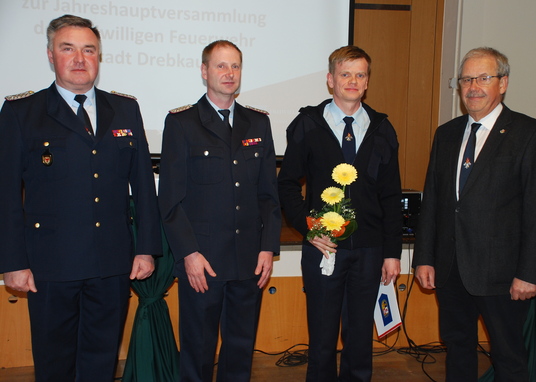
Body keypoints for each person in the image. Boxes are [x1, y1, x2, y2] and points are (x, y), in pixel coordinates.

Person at [0, 14, 162, 382]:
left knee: (101, 362)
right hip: (50, 267)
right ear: (50, 55)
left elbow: (142, 184)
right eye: (67, 48)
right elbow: (6, 193)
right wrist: (13, 261)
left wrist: (145, 249)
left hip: (112, 263)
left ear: (98, 57)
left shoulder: (124, 109)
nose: (79, 58)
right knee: (54, 364)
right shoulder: (22, 112)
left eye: (88, 50)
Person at [413, 47, 536, 381]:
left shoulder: (530, 134)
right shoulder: (446, 134)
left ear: (503, 83)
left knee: (508, 357)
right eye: (466, 79)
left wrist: (530, 273)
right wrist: (424, 258)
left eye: (483, 78)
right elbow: (433, 201)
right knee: (457, 348)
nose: (473, 87)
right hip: (450, 270)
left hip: (503, 276)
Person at [158, 40, 281, 382]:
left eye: (235, 66)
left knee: (240, 350)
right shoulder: (182, 123)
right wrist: (188, 254)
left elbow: (268, 196)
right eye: (221, 66)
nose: (229, 74)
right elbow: (170, 200)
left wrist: (268, 248)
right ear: (204, 71)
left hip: (248, 260)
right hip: (204, 262)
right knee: (197, 351)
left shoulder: (257, 124)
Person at [277, 45, 402, 381]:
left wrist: (392, 253)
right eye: (345, 74)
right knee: (322, 337)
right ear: (330, 80)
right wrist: (310, 228)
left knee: (360, 337)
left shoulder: (382, 129)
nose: (353, 80)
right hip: (323, 248)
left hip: (369, 249)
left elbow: (391, 197)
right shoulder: (307, 124)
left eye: (360, 75)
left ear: (367, 82)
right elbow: (287, 184)